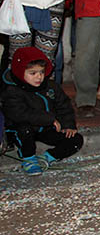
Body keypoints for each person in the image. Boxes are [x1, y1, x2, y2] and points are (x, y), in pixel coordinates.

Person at [1, 47, 83, 176]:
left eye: (41, 72)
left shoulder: (50, 86)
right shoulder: (12, 91)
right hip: (22, 128)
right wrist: (49, 119)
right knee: (24, 130)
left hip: (46, 128)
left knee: (75, 139)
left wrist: (68, 125)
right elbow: (19, 114)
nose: (39, 77)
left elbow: (64, 105)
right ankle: (28, 159)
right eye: (32, 73)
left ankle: (47, 158)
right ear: (20, 71)